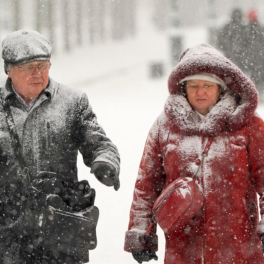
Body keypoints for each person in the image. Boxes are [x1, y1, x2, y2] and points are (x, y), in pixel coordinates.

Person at [124, 43, 264, 263]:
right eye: (194, 85)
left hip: (238, 250)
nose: (200, 92)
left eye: (208, 85)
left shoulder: (247, 125)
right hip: (183, 250)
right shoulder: (164, 127)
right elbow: (147, 184)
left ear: (220, 88)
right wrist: (141, 232)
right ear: (183, 88)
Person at [0, 29, 120, 263]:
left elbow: (99, 142)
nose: (38, 73)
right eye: (28, 68)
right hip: (8, 231)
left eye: (43, 66)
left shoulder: (72, 102)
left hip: (61, 226)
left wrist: (105, 161)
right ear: (9, 70)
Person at [217, 8, 247, 72]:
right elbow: (248, 42)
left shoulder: (227, 27)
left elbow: (220, 42)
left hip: (229, 57)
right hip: (242, 59)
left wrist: (226, 49)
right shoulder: (244, 27)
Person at [244, 9, 264, 96]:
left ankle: (254, 93)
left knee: (252, 77)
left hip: (250, 58)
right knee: (259, 76)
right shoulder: (261, 28)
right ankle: (259, 92)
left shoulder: (246, 30)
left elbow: (243, 45)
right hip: (259, 57)